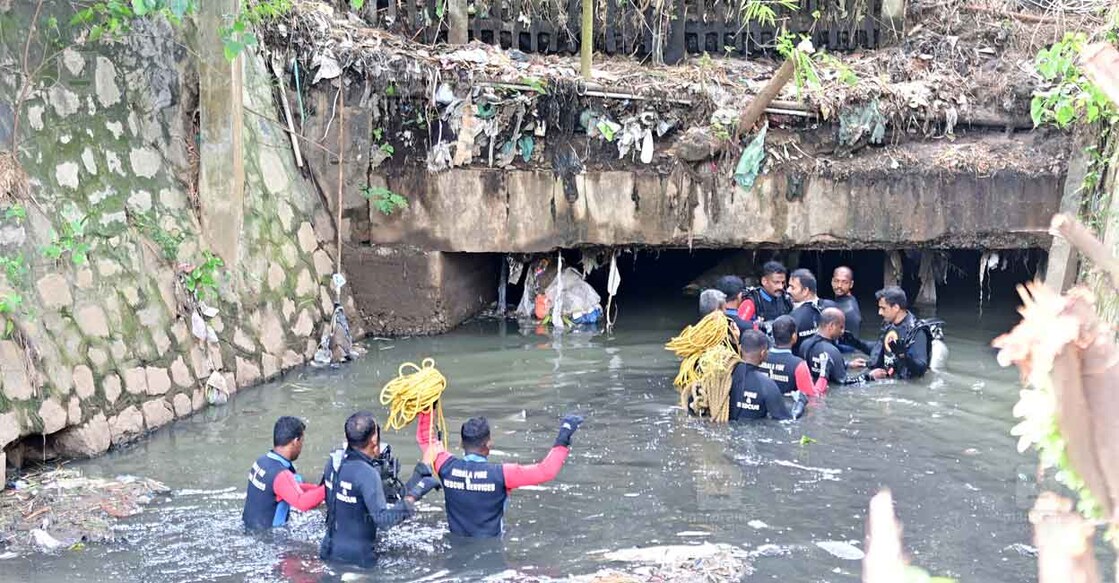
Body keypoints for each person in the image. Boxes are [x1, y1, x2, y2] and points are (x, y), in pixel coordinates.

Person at [415, 409, 583, 537]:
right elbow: (546, 471)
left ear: (460, 443)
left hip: (456, 545)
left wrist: (427, 409)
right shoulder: (502, 475)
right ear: (488, 444)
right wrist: (565, 434)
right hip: (491, 549)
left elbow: (425, 439)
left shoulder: (445, 466)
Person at [320, 411, 440, 567]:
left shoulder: (333, 462)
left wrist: (423, 467)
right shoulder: (367, 474)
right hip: (359, 560)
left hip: (328, 550)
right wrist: (415, 495)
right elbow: (384, 520)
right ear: (374, 439)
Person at [242, 416, 326, 531]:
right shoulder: (281, 474)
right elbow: (302, 503)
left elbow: (285, 488)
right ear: (295, 441)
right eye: (302, 441)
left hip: (249, 529)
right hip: (271, 539)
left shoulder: (262, 461)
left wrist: (316, 489)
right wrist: (329, 488)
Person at [730, 330, 807, 421]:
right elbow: (788, 420)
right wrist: (801, 403)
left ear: (739, 348)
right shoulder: (767, 385)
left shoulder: (726, 375)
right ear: (763, 354)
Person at [866, 286, 932, 380]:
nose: (879, 312)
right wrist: (855, 343)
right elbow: (878, 350)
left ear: (896, 307)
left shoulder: (917, 332)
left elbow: (921, 368)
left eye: (883, 308)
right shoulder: (888, 325)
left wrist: (903, 356)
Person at [798, 308, 868, 387]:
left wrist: (848, 365)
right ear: (831, 326)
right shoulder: (832, 351)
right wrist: (869, 377)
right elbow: (844, 383)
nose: (842, 332)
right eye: (841, 327)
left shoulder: (805, 344)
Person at [761, 316, 828, 397]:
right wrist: (823, 376)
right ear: (794, 336)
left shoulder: (760, 357)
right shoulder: (798, 365)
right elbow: (812, 397)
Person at [787, 269, 834, 350]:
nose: (788, 290)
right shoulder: (832, 307)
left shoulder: (793, 318)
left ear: (805, 291)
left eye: (792, 287)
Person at [740, 261, 792, 331]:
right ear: (764, 281)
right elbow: (739, 325)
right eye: (776, 282)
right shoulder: (752, 301)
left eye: (783, 283)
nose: (781, 287)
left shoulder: (786, 299)